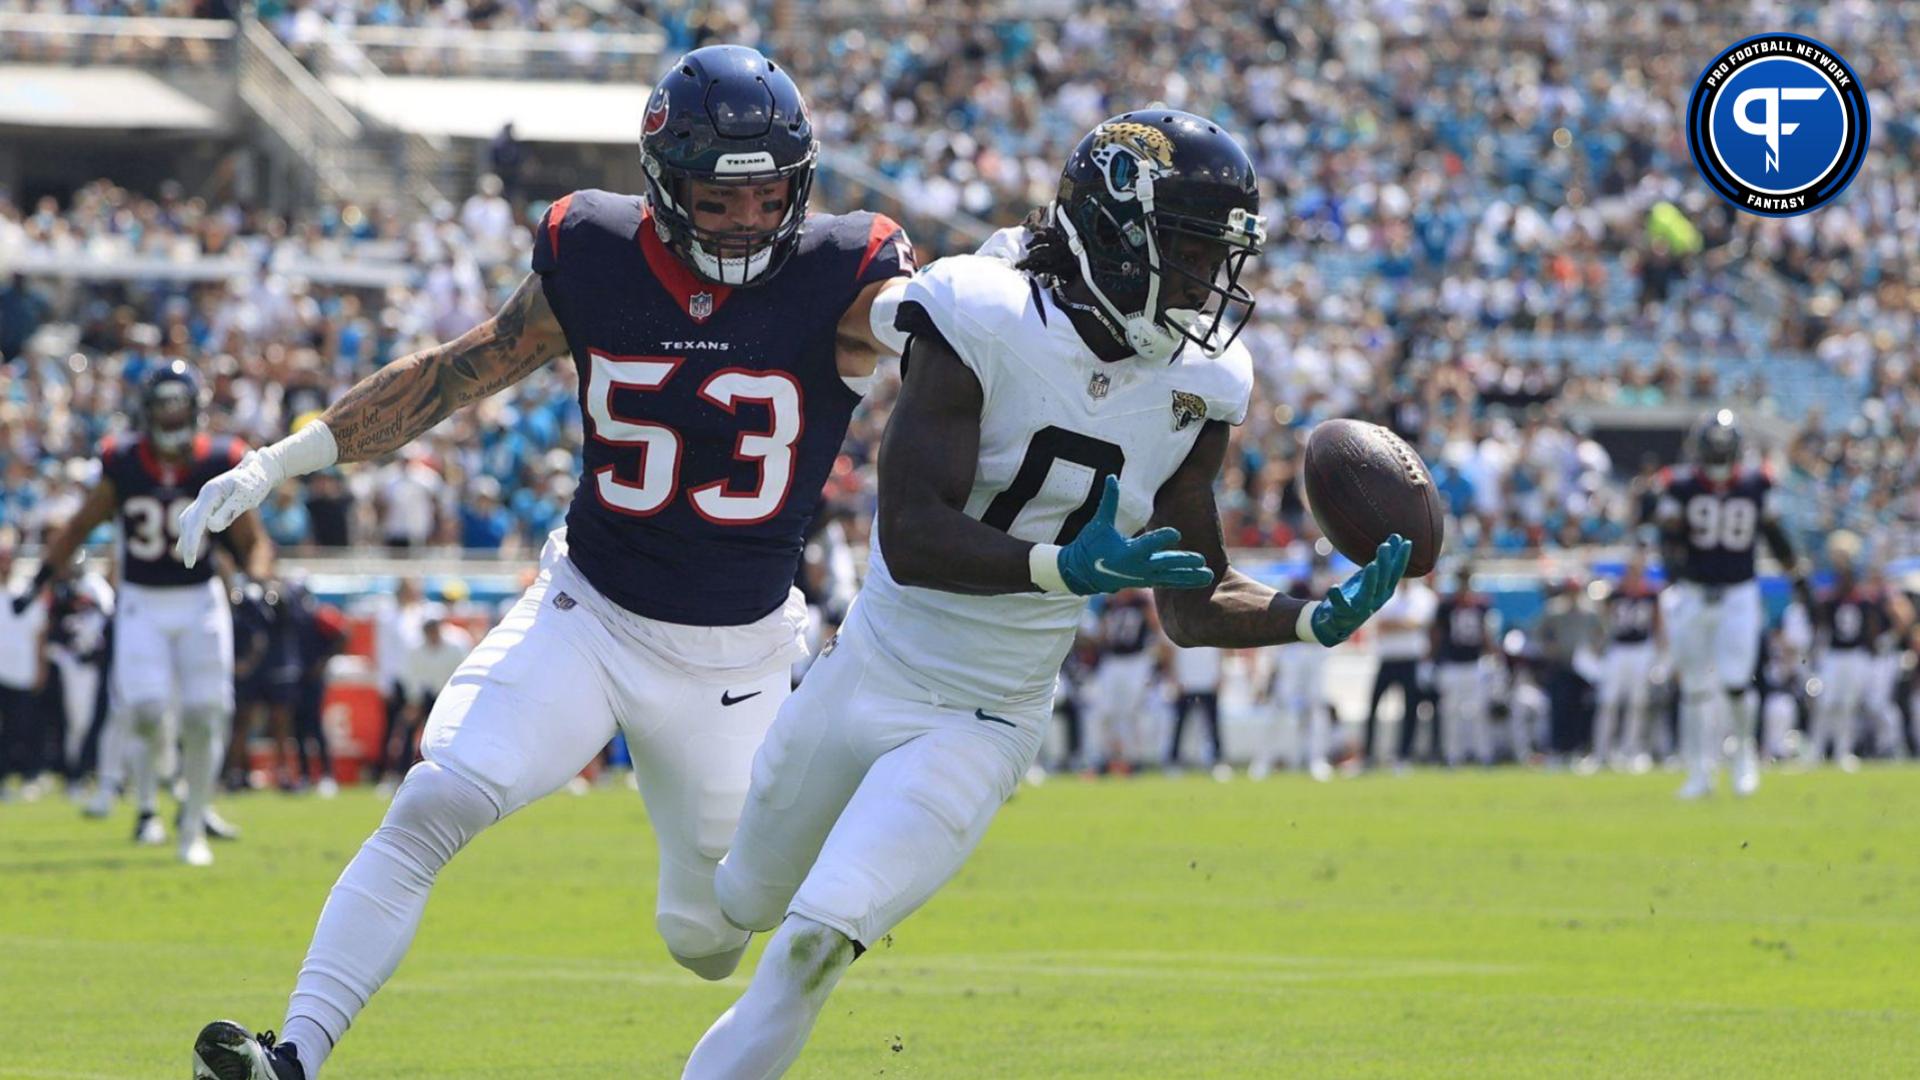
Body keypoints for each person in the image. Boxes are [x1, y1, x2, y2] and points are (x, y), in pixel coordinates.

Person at [180, 44, 915, 1080]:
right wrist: (279, 460)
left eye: (771, 197)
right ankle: (292, 1055)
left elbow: (923, 328)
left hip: (734, 657)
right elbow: (452, 374)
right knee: (436, 799)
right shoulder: (596, 251)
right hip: (591, 612)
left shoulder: (846, 271)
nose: (752, 223)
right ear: (664, 189)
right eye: (720, 198)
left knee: (707, 941)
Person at [679, 110, 1410, 1079]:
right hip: (869, 672)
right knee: (726, 918)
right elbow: (914, 529)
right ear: (1117, 229)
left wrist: (1308, 617)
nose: (1207, 285)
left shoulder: (1203, 381)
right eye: (1190, 251)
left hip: (986, 719)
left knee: (818, 936)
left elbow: (1192, 598)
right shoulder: (981, 311)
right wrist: (1062, 569)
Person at [10, 360, 273, 861]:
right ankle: (149, 805)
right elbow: (80, 526)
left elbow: (252, 540)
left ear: (194, 410)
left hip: (199, 600)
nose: (171, 419)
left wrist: (259, 584)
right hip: (142, 600)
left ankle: (192, 825)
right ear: (146, 411)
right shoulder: (124, 460)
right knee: (148, 710)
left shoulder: (219, 458)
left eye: (179, 408)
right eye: (163, 409)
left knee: (205, 713)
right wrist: (40, 579)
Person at [1655, 410, 1802, 798]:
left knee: (1736, 682)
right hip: (1693, 592)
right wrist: (1674, 564)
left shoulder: (1756, 483)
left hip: (1738, 593)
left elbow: (1774, 535)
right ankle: (1699, 772)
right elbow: (1666, 539)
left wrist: (1796, 574)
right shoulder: (1680, 485)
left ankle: (1743, 760)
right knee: (1693, 688)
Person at [1359, 569, 1437, 770]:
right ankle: (1368, 755)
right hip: (1387, 658)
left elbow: (1416, 623)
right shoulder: (1386, 593)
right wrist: (1402, 623)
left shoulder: (1423, 596)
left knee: (1410, 710)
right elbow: (1379, 624)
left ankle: (1403, 756)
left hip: (1410, 660)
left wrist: (1395, 624)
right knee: (1373, 707)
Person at [1592, 553, 1661, 770]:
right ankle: (1601, 751)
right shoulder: (1615, 594)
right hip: (1618, 648)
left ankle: (1630, 750)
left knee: (1637, 703)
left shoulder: (1651, 595)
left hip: (1641, 649)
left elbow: (1658, 625)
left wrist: (1661, 654)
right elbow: (1603, 621)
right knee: (1608, 701)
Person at [0, 532, 51, 800]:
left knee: (23, 727)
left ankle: (30, 776)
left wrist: (40, 667)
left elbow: (39, 633)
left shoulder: (25, 591)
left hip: (21, 671)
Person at [1431, 563, 1495, 767]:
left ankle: (1483, 754)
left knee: (1478, 712)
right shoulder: (1447, 605)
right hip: (1452, 664)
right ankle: (1453, 756)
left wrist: (1493, 655)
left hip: (1474, 663)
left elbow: (1486, 633)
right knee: (1451, 713)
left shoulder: (1481, 604)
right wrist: (1431, 659)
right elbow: (1437, 634)